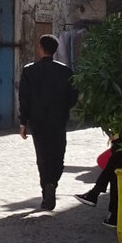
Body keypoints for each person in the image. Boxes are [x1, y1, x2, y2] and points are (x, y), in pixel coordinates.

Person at [17, 34, 75, 211]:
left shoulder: (29, 71)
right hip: (58, 120)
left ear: (41, 48)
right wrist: (63, 108)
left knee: (42, 156)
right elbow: (73, 96)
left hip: (38, 121)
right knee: (58, 155)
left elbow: (24, 98)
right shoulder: (65, 71)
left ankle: (46, 188)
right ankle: (53, 183)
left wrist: (23, 122)